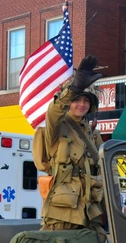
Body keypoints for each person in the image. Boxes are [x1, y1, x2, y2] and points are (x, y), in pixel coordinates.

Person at [34, 55, 105, 233]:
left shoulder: (92, 134)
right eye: (77, 100)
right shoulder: (56, 127)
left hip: (90, 210)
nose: (82, 104)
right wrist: (73, 90)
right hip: (62, 214)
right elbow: (54, 112)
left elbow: (106, 164)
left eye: (86, 100)